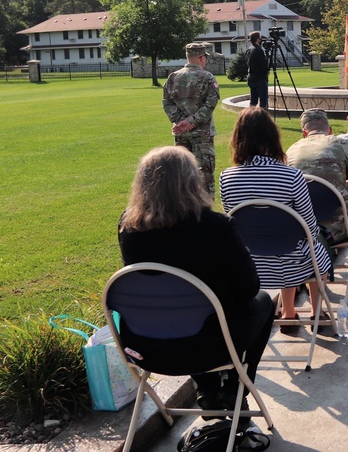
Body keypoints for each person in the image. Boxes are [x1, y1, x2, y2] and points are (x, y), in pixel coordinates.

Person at [118, 146, 275, 414]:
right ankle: (236, 388)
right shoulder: (216, 226)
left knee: (179, 313)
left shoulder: (129, 226)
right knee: (264, 302)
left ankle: (207, 386)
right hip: (211, 344)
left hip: (147, 345)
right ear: (193, 181)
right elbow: (250, 288)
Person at [219, 107, 332, 332]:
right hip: (293, 265)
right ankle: (316, 311)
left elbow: (233, 226)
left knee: (288, 243)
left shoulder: (227, 178)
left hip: (251, 267)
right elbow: (308, 226)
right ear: (272, 136)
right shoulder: (291, 176)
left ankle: (289, 313)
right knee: (313, 242)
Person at [287, 109, 348, 294]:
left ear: (304, 132)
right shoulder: (341, 143)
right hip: (339, 224)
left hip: (302, 228)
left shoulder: (291, 150)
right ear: (330, 129)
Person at [162, 42, 220, 196]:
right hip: (203, 134)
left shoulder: (173, 77)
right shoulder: (207, 77)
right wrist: (191, 121)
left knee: (182, 173)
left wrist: (181, 121)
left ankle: (184, 209)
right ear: (201, 57)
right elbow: (210, 104)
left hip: (181, 133)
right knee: (205, 175)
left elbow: (167, 103)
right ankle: (206, 212)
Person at [245, 31, 269, 108]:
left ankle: (250, 116)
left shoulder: (249, 50)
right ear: (257, 39)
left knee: (253, 100)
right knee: (263, 100)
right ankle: (262, 116)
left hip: (251, 77)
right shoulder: (258, 50)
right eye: (260, 37)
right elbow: (263, 65)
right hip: (260, 78)